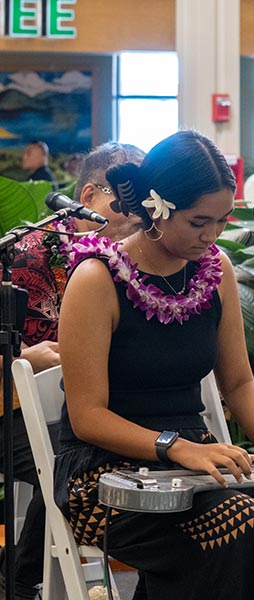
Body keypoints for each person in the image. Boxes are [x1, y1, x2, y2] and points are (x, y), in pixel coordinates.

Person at [54, 130, 254, 600]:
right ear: (155, 207)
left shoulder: (216, 268)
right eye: (198, 222)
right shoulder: (95, 279)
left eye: (222, 221)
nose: (212, 236)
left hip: (197, 462)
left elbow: (239, 382)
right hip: (102, 474)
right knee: (236, 520)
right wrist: (175, 447)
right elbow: (87, 418)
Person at [0, 141, 145, 600]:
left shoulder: (133, 261)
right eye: (124, 200)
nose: (138, 212)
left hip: (85, 409)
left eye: (145, 199)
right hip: (14, 409)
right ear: (87, 198)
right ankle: (19, 581)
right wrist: (23, 358)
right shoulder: (24, 255)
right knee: (67, 460)